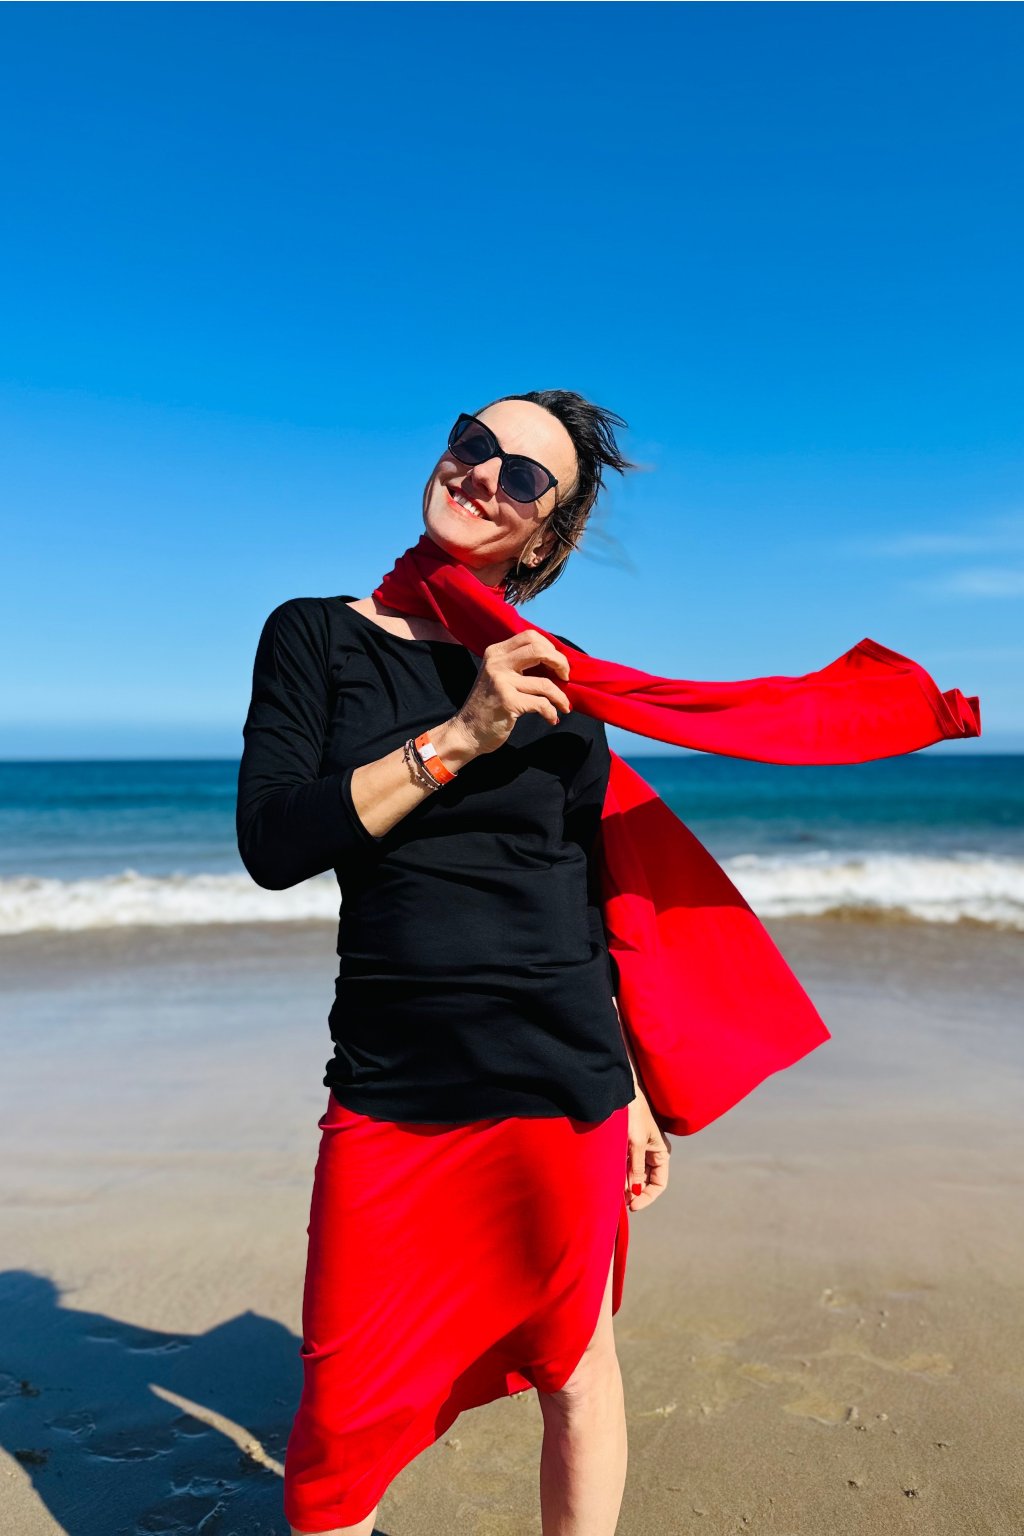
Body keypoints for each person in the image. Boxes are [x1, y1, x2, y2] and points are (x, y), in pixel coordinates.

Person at [236, 391, 670, 1536]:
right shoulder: (314, 635)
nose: (481, 473)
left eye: (522, 476)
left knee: (577, 1369)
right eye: (473, 442)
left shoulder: (561, 685)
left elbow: (581, 891)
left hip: (564, 1077)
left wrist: (630, 1085)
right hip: (396, 1083)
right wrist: (460, 736)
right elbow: (273, 843)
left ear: (542, 537)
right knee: (338, 1434)